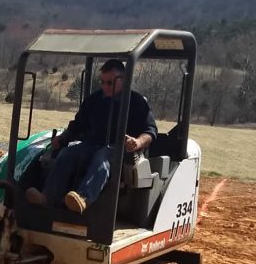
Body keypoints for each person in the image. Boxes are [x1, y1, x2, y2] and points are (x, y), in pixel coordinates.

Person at [25, 59, 157, 214]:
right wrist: (62, 139)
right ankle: (48, 198)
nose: (105, 86)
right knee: (68, 153)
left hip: (121, 150)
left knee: (102, 156)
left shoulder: (137, 102)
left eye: (110, 83)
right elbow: (77, 125)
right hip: (91, 145)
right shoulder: (94, 100)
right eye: (102, 82)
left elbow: (150, 131)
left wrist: (138, 141)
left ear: (123, 80)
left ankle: (83, 199)